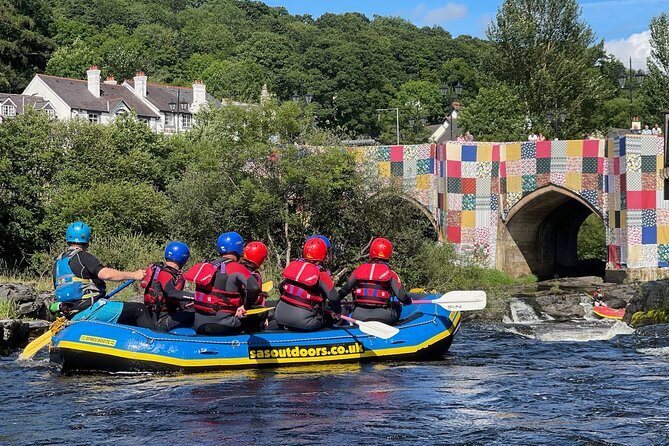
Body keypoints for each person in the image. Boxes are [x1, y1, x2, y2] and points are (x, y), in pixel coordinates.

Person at [52, 221, 145, 319]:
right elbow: (106, 274)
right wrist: (134, 275)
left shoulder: (58, 263)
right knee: (140, 310)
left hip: (70, 313)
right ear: (87, 241)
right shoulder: (83, 256)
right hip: (90, 310)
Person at [189, 232, 261, 336]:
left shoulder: (208, 266)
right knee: (260, 315)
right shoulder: (235, 267)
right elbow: (254, 288)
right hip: (223, 325)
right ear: (239, 249)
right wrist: (245, 307)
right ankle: (256, 350)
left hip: (199, 324)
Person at [338, 237, 413, 325]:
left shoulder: (357, 271)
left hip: (359, 316)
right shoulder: (391, 274)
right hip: (384, 316)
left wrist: (333, 303)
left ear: (371, 252)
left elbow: (343, 292)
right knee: (397, 305)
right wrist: (409, 301)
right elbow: (402, 297)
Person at [274, 237, 341, 331]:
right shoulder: (321, 274)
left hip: (279, 316)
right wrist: (337, 312)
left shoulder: (294, 267)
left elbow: (281, 287)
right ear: (323, 255)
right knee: (331, 318)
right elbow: (334, 298)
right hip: (305, 322)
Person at [141, 241, 195, 331]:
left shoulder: (167, 273)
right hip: (161, 321)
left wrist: (184, 303)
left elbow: (168, 298)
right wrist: (196, 297)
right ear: (184, 259)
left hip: (163, 315)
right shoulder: (165, 274)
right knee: (197, 313)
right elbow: (171, 293)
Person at [238, 240, 270, 332]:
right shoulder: (253, 275)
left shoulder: (238, 267)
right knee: (264, 312)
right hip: (244, 311)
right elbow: (253, 298)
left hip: (236, 308)